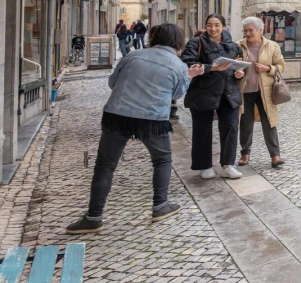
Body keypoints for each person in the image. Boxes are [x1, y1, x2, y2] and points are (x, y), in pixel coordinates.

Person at [66, 24, 204, 234]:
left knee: (104, 165)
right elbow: (177, 93)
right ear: (178, 41)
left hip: (117, 115)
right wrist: (190, 76)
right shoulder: (178, 65)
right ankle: (160, 205)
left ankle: (93, 216)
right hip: (153, 119)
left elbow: (113, 83)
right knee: (162, 160)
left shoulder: (133, 56)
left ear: (153, 37)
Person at [182, 14, 245, 180]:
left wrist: (239, 74)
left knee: (231, 128)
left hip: (228, 92)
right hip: (202, 92)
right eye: (209, 25)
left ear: (223, 26)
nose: (213, 29)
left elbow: (238, 68)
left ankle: (228, 165)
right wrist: (212, 68)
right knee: (202, 130)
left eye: (217, 25)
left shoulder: (233, 46)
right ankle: (204, 165)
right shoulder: (196, 43)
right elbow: (188, 64)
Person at [238, 17, 286, 169]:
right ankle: (245, 154)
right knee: (245, 124)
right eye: (245, 30)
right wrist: (236, 71)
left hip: (266, 91)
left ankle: (275, 156)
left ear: (260, 30)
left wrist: (267, 69)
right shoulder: (238, 46)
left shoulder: (272, 46)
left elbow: (281, 66)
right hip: (245, 91)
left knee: (269, 122)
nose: (248, 33)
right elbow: (232, 64)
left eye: (251, 30)